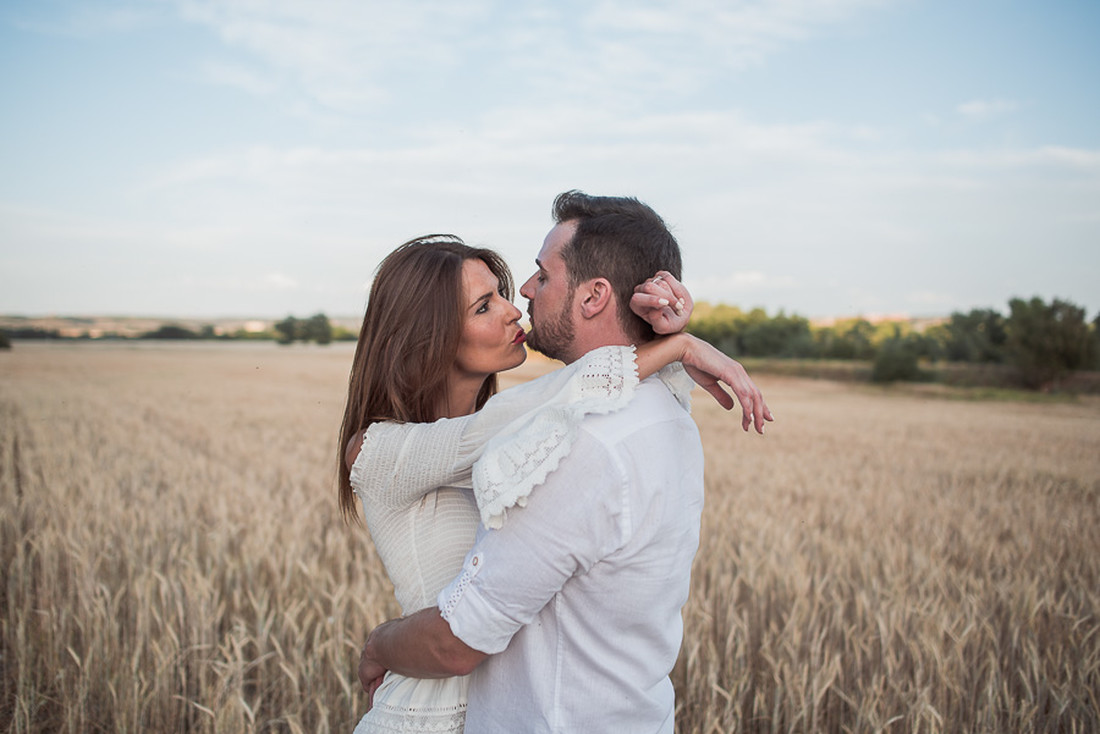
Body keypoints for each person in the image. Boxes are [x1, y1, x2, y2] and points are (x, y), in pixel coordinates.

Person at [353, 191, 773, 733]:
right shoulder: (387, 450)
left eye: (537, 278)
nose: (519, 301)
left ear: (594, 296)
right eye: (485, 306)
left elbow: (528, 420)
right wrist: (670, 349)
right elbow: (491, 429)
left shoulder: (571, 440)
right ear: (430, 334)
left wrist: (380, 642)